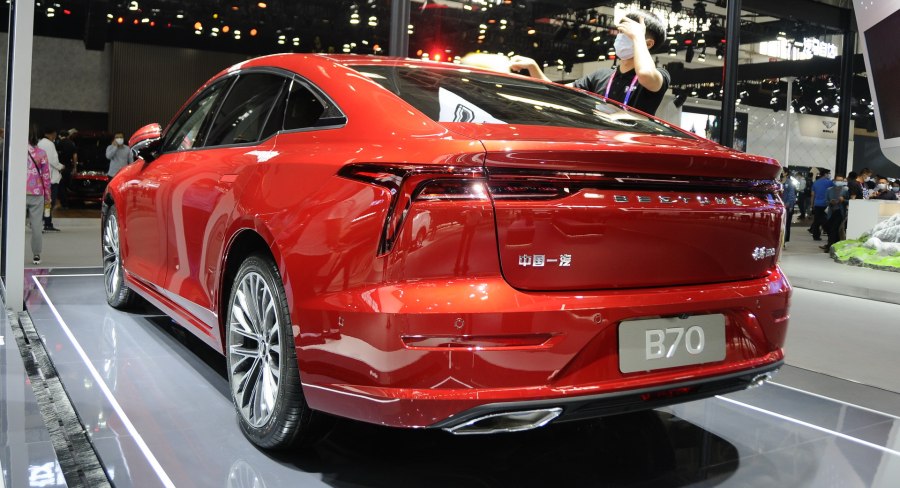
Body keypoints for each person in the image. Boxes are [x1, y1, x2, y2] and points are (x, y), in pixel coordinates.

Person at [509, 10, 669, 116]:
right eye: (620, 32)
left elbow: (645, 74)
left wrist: (637, 36)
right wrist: (533, 67)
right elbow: (557, 92)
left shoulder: (659, 76)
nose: (620, 37)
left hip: (632, 150)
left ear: (648, 44)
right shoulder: (601, 76)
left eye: (628, 33)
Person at [27, 125, 52, 264]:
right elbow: (46, 176)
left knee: (15, 224)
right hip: (37, 192)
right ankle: (36, 254)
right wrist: (48, 195)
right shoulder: (41, 153)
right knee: (36, 225)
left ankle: (12, 251)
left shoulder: (17, 151)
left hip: (19, 193)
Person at [37, 128, 62, 232]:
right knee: (49, 201)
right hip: (51, 177)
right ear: (52, 133)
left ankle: (42, 222)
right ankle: (47, 223)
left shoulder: (40, 143)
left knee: (43, 202)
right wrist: (61, 167)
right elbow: (53, 160)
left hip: (41, 176)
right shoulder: (50, 144)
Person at [823, 175, 848, 252]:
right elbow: (826, 201)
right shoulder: (829, 190)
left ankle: (830, 246)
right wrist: (830, 202)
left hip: (840, 212)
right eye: (838, 180)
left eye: (841, 180)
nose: (839, 182)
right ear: (834, 181)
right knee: (830, 228)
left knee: (834, 229)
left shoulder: (846, 190)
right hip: (831, 212)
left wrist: (843, 200)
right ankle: (834, 245)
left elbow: (849, 201)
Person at [808, 170, 834, 241]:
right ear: (825, 174)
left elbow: (812, 194)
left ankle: (816, 236)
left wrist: (812, 205)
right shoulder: (830, 182)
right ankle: (829, 233)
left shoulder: (815, 182)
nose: (829, 175)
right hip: (826, 204)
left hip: (817, 204)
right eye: (828, 173)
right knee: (826, 220)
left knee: (816, 221)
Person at [56, 128, 78, 209]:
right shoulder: (71, 143)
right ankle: (68, 202)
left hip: (60, 167)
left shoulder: (58, 143)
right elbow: (75, 156)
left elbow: (55, 155)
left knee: (61, 185)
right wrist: (75, 167)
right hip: (68, 166)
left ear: (60, 136)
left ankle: (64, 204)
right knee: (67, 185)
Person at [781, 171, 797, 247]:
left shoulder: (789, 183)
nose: (781, 173)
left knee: (786, 224)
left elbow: (791, 195)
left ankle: (784, 241)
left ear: (786, 173)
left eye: (783, 171)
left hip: (786, 206)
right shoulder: (779, 181)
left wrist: (788, 204)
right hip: (780, 205)